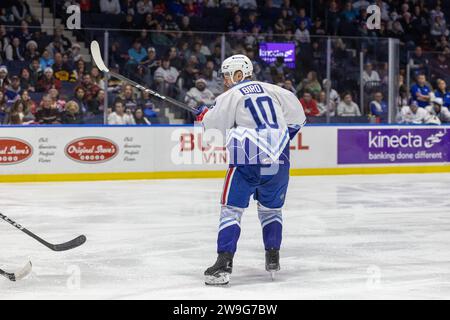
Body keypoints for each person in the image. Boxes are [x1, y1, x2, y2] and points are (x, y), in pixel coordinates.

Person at [196, 54, 306, 285]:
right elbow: (298, 119)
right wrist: (280, 140)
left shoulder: (231, 95)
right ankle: (273, 257)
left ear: (239, 74)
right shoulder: (276, 90)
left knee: (231, 209)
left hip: (247, 157)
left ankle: (223, 264)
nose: (225, 81)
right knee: (271, 210)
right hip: (279, 160)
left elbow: (212, 127)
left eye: (227, 76)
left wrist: (203, 116)